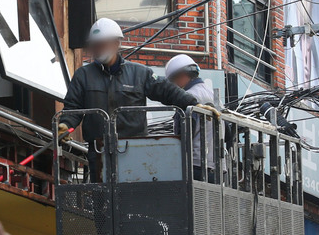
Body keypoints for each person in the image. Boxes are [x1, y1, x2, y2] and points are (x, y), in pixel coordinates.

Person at [59, 18, 217, 182]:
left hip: (135, 148)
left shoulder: (139, 73)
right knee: (104, 195)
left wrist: (193, 104)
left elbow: (166, 90)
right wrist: (65, 125)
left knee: (134, 193)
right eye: (95, 45)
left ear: (115, 43)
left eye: (102, 44)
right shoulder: (83, 76)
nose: (97, 49)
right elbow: (73, 108)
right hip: (99, 149)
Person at [165, 54, 219, 182]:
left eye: (173, 81)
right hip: (217, 167)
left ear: (181, 76)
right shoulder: (214, 97)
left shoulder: (188, 97)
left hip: (195, 165)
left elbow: (182, 135)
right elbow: (227, 133)